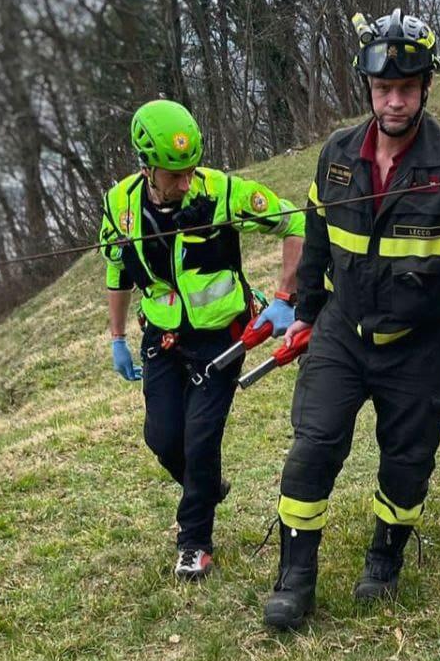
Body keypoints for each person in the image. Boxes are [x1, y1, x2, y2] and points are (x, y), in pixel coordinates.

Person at [262, 9, 440, 630]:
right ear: (367, 88)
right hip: (343, 330)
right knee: (313, 449)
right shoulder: (337, 155)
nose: (394, 100)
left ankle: (385, 557)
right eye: (383, 89)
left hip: (420, 344)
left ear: (426, 88)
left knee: (406, 462)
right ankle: (295, 575)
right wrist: (305, 313)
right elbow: (315, 241)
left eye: (407, 89)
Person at [99, 99, 305, 581]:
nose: (187, 182)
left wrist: (284, 295)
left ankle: (195, 541)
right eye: (175, 174)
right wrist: (116, 338)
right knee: (162, 436)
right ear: (147, 167)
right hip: (162, 338)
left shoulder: (223, 193)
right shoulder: (121, 206)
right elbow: (116, 269)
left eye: (191, 169)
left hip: (222, 338)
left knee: (201, 437)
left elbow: (296, 220)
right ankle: (207, 487)